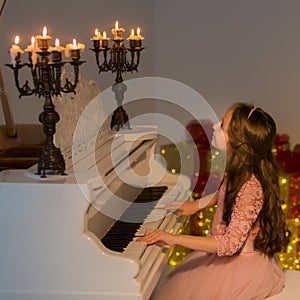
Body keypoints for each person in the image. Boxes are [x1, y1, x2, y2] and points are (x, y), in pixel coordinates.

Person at [137, 103, 291, 300]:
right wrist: (196, 205)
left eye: (222, 125)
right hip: (226, 254)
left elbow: (228, 245)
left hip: (240, 264)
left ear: (237, 141)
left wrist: (172, 238)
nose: (215, 126)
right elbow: (225, 192)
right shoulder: (240, 168)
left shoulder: (250, 188)